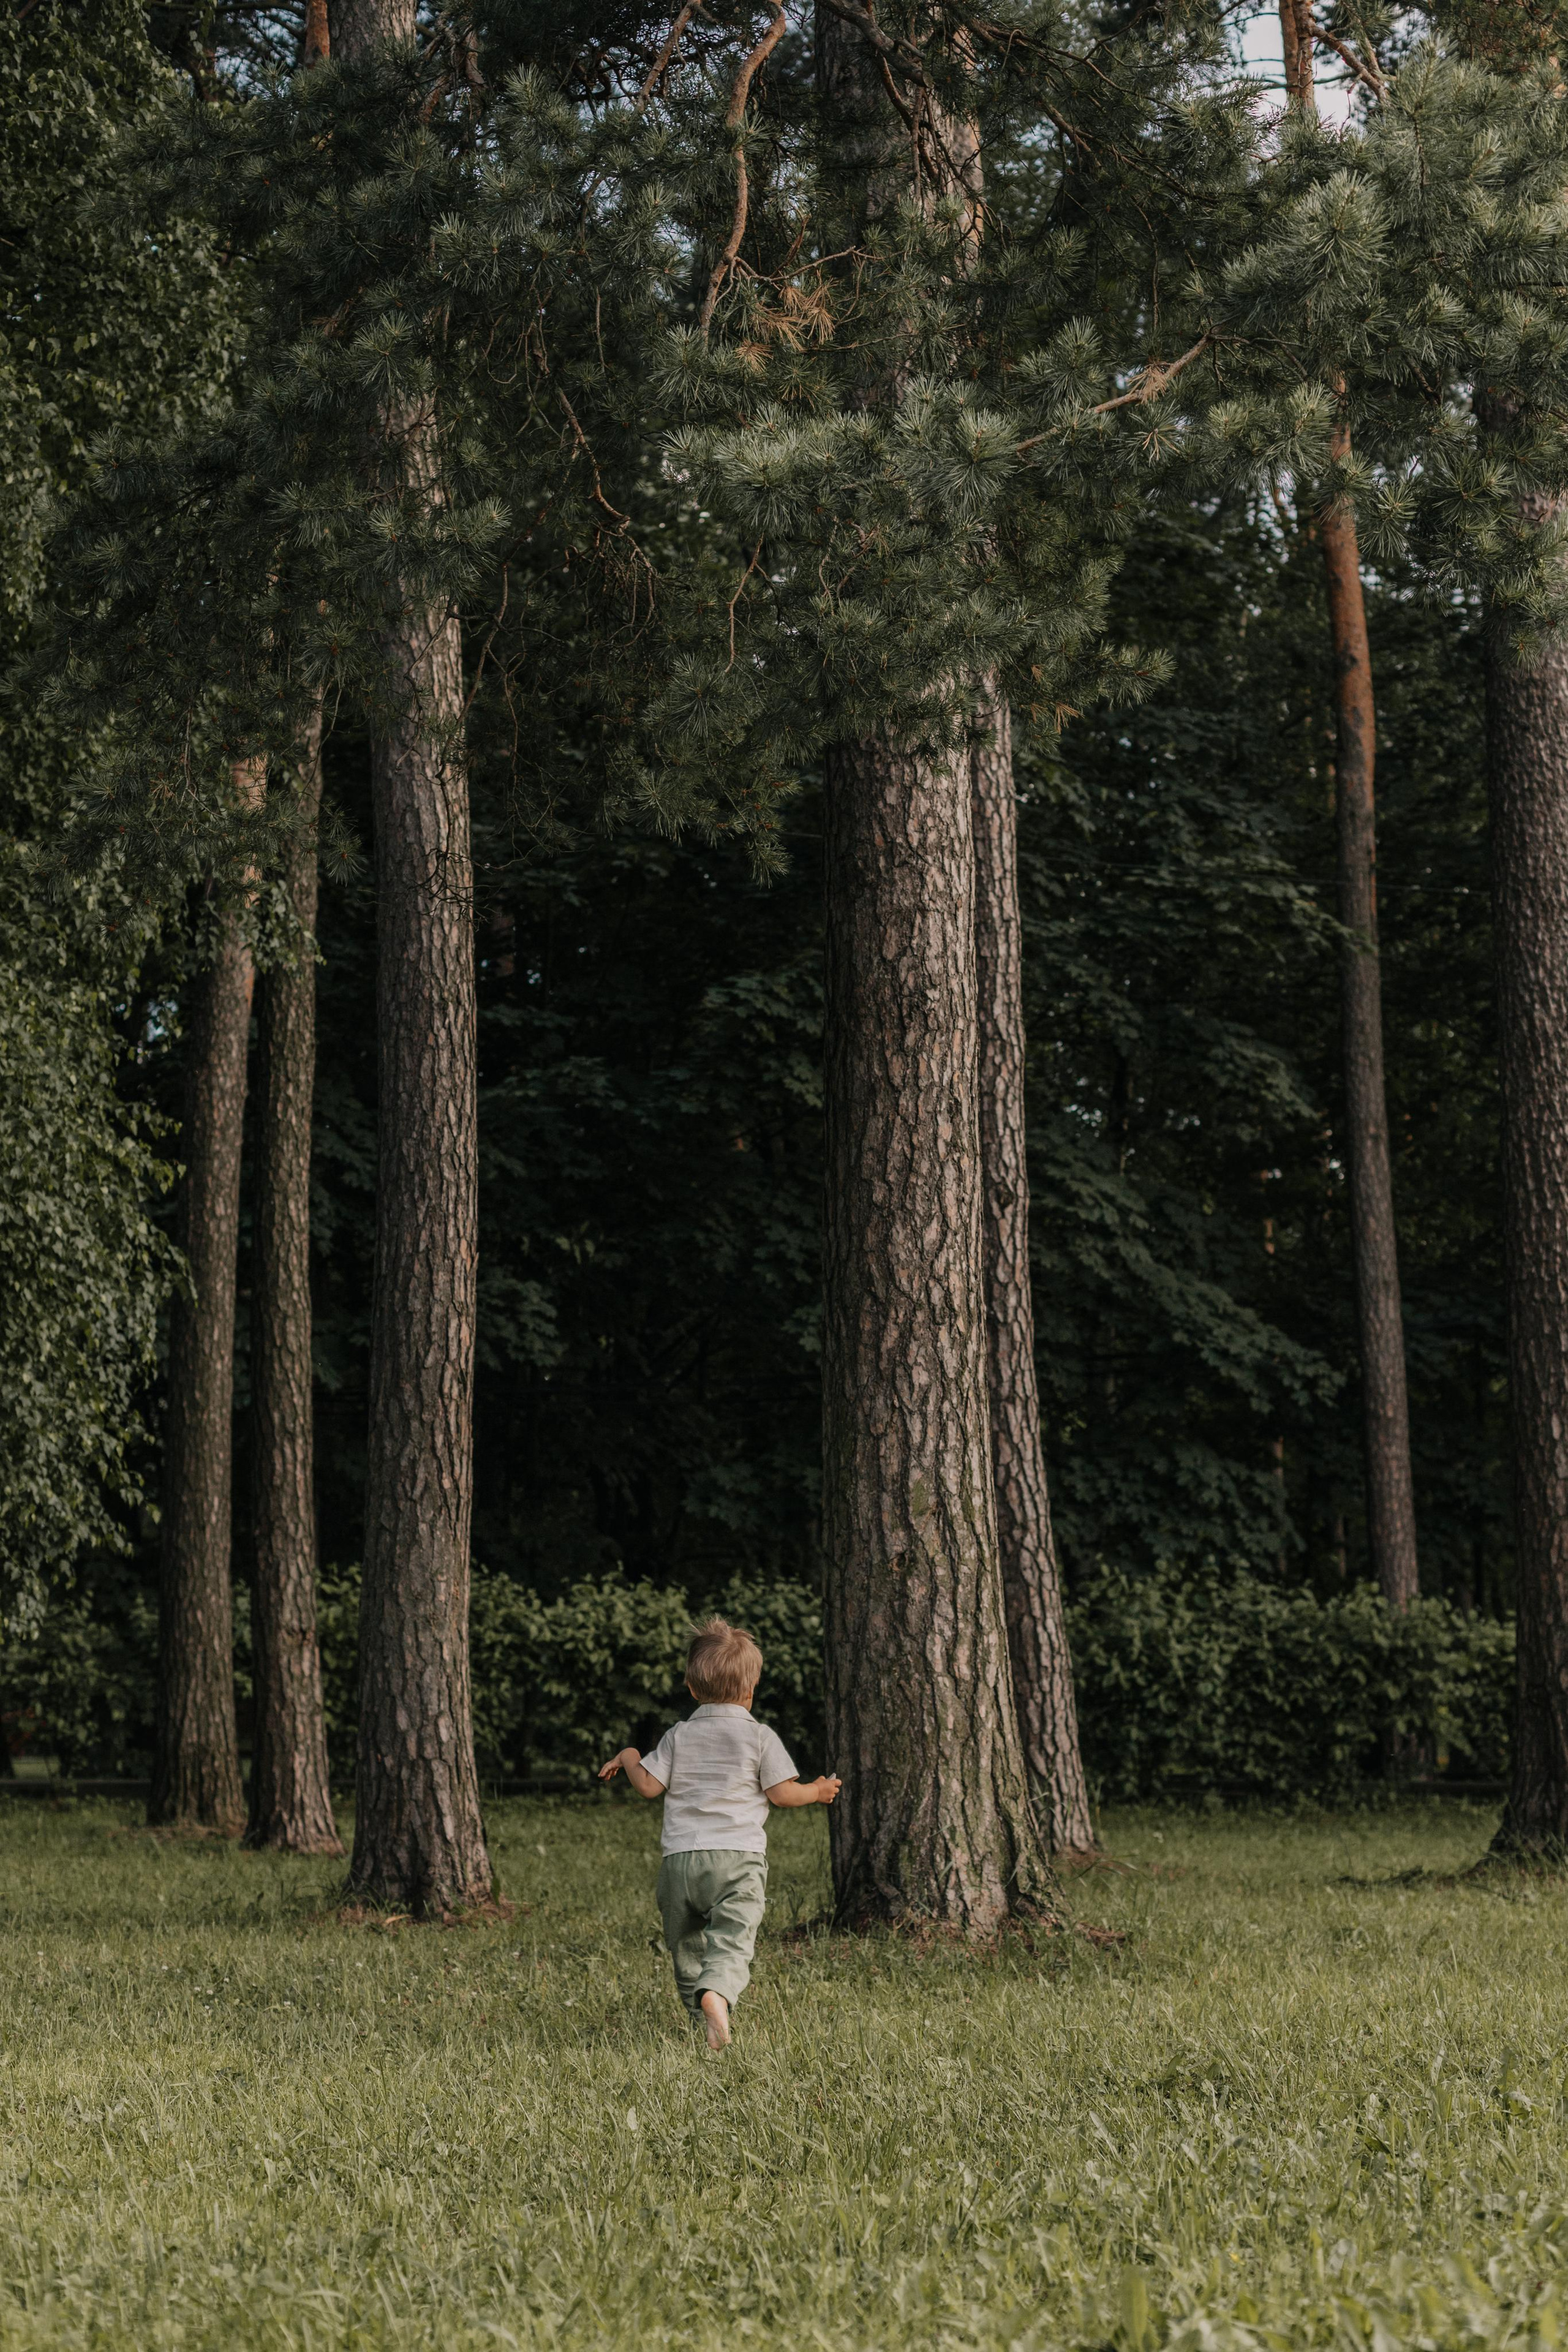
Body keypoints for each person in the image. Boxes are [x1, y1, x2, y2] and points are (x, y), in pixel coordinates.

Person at [598, 1616, 841, 2049]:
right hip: (738, 1860)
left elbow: (649, 1787)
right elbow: (783, 1795)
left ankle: (704, 2019)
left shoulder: (679, 1735)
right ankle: (718, 1994)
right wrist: (819, 1790)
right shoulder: (759, 1737)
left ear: (692, 1689)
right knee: (732, 1938)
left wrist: (630, 1754)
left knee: (686, 1945)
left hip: (679, 1864)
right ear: (752, 1689)